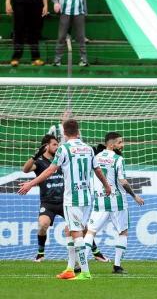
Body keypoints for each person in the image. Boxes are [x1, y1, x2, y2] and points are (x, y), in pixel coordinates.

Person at [18, 119, 111, 280]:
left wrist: (30, 183)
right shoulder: (88, 149)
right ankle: (69, 268)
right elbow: (97, 170)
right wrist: (107, 185)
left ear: (64, 133)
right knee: (70, 230)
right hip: (86, 197)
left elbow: (51, 170)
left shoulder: (64, 149)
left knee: (76, 233)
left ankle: (85, 272)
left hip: (71, 198)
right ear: (78, 131)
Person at [84, 132, 144, 274]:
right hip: (117, 202)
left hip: (100, 201)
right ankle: (117, 266)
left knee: (91, 232)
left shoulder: (95, 157)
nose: (122, 145)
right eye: (120, 142)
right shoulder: (118, 159)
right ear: (111, 145)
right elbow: (123, 182)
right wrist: (135, 196)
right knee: (123, 232)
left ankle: (81, 263)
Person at [22, 135, 65, 262]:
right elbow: (25, 170)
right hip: (48, 202)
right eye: (54, 145)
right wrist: (34, 156)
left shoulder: (61, 159)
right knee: (42, 224)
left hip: (65, 201)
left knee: (80, 227)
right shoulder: (39, 162)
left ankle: (96, 253)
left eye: (57, 145)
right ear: (46, 146)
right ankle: (41, 253)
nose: (57, 147)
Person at [51, 0, 93, 67]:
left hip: (79, 12)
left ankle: (84, 60)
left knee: (81, 37)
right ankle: (57, 60)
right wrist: (56, 3)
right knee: (61, 37)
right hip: (65, 12)